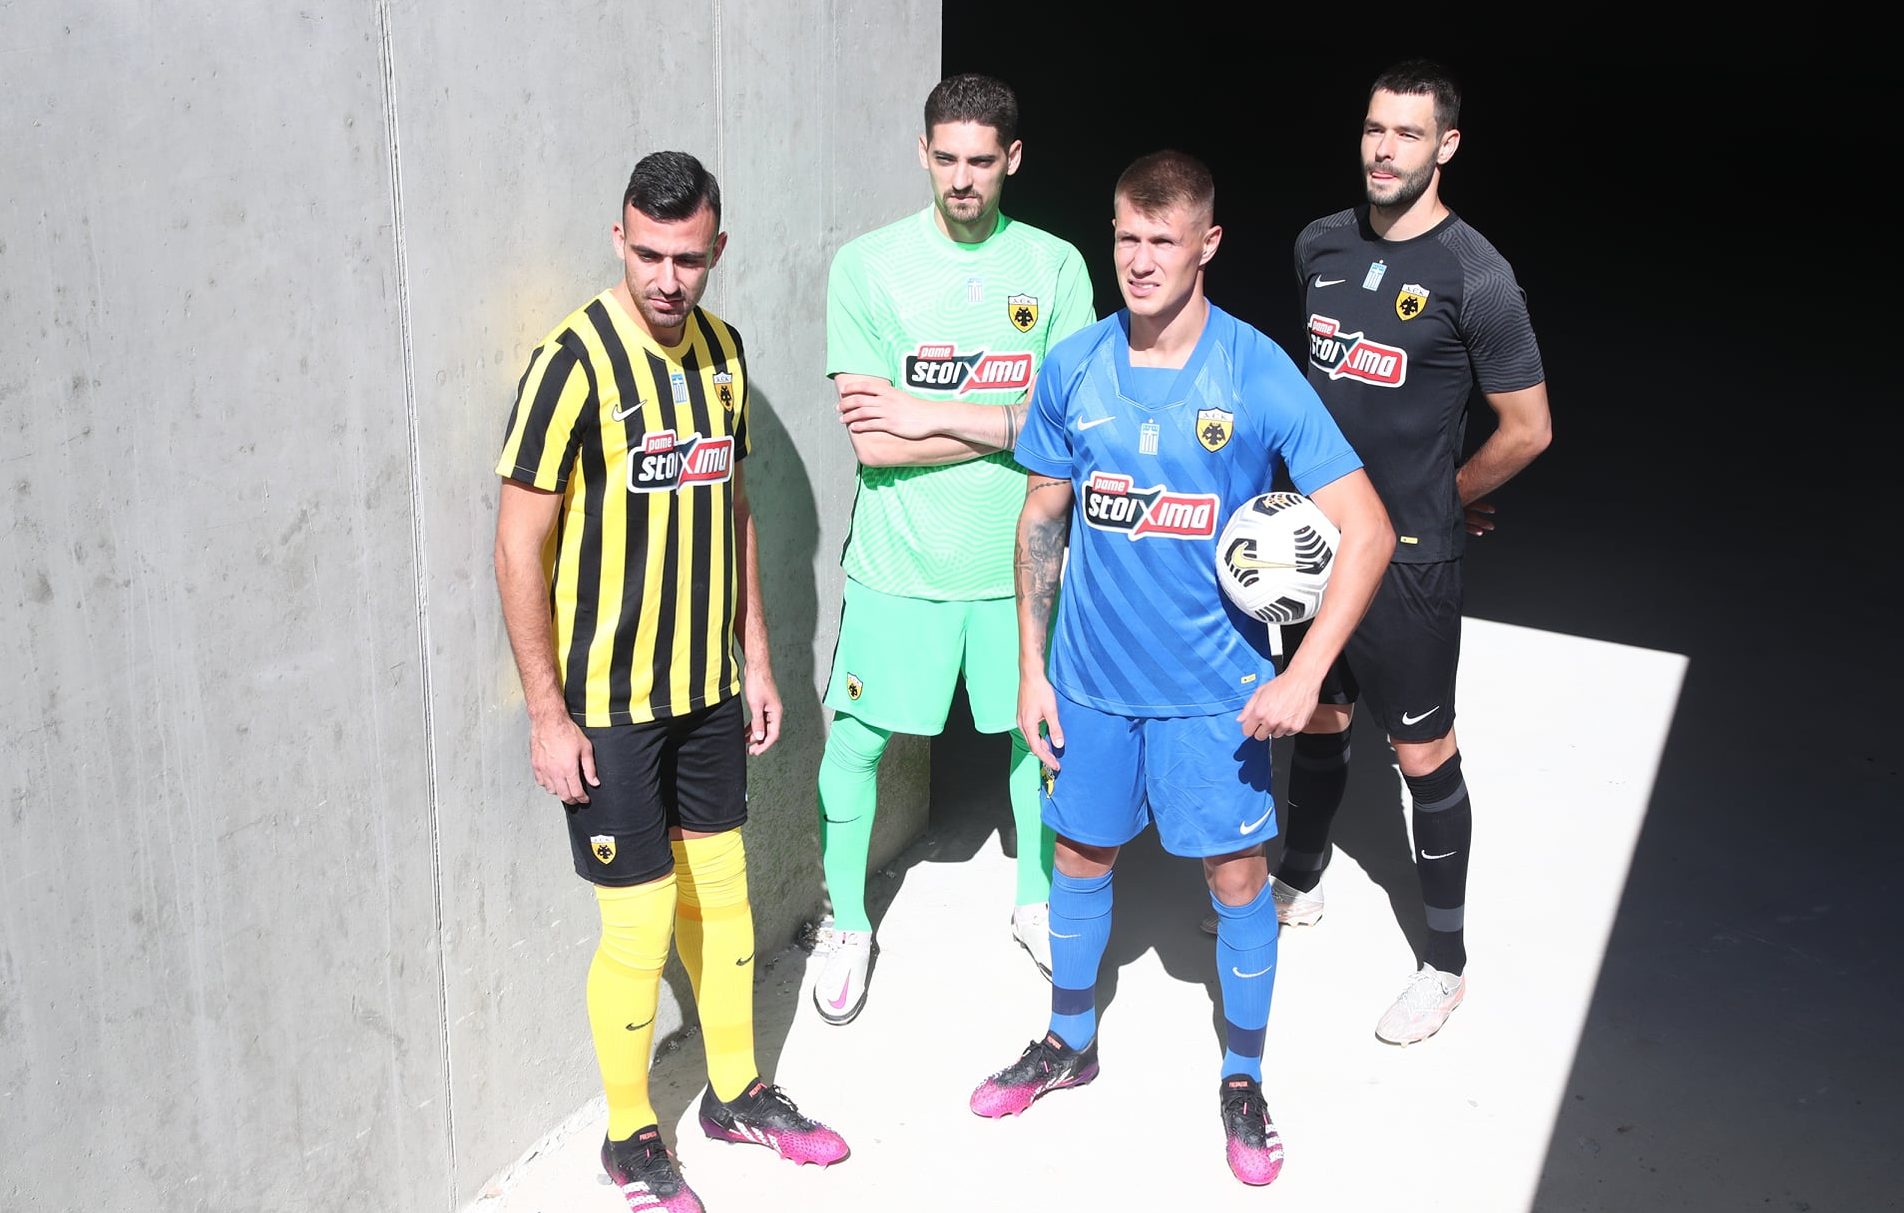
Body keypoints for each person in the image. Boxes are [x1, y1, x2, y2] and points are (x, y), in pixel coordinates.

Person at [968, 150, 1394, 1188]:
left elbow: (1369, 530)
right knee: (1078, 858)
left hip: (1215, 697)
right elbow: (1040, 519)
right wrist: (1031, 669)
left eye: (1163, 239)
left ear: (1207, 244)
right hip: (1090, 684)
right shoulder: (1073, 364)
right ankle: (1069, 1039)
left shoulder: (1255, 370)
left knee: (1236, 876)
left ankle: (1242, 1075)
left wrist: (1305, 674)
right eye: (1126, 236)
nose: (1140, 259)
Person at [493, 151, 848, 1213]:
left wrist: (756, 657)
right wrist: (546, 713)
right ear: (620, 238)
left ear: (716, 250)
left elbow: (732, 509)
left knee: (726, 901)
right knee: (640, 925)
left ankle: (736, 1092)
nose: (666, 278)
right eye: (648, 254)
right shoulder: (571, 363)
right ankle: (630, 1133)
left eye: (687, 258)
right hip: (607, 708)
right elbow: (516, 546)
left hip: (705, 692)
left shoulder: (724, 355)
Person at [1238, 57, 1553, 1047]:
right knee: (1320, 716)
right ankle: (1300, 878)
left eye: (1407, 134)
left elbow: (1527, 428)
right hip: (1313, 543)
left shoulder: (1477, 277)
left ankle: (1444, 964)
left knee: (1421, 753)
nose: (1384, 149)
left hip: (1411, 559)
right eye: (1374, 129)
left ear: (1445, 146)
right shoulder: (1320, 243)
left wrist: (1445, 496)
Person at [811, 72, 1097, 1023]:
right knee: (856, 741)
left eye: (981, 161)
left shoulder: (1055, 267)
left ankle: (1037, 901)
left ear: (1012, 158)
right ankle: (848, 921)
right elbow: (873, 443)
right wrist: (1008, 422)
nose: (962, 179)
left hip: (1017, 564)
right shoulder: (868, 266)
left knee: (1037, 738)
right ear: (923, 153)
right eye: (946, 159)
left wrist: (926, 411)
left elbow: (1064, 431)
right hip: (900, 563)